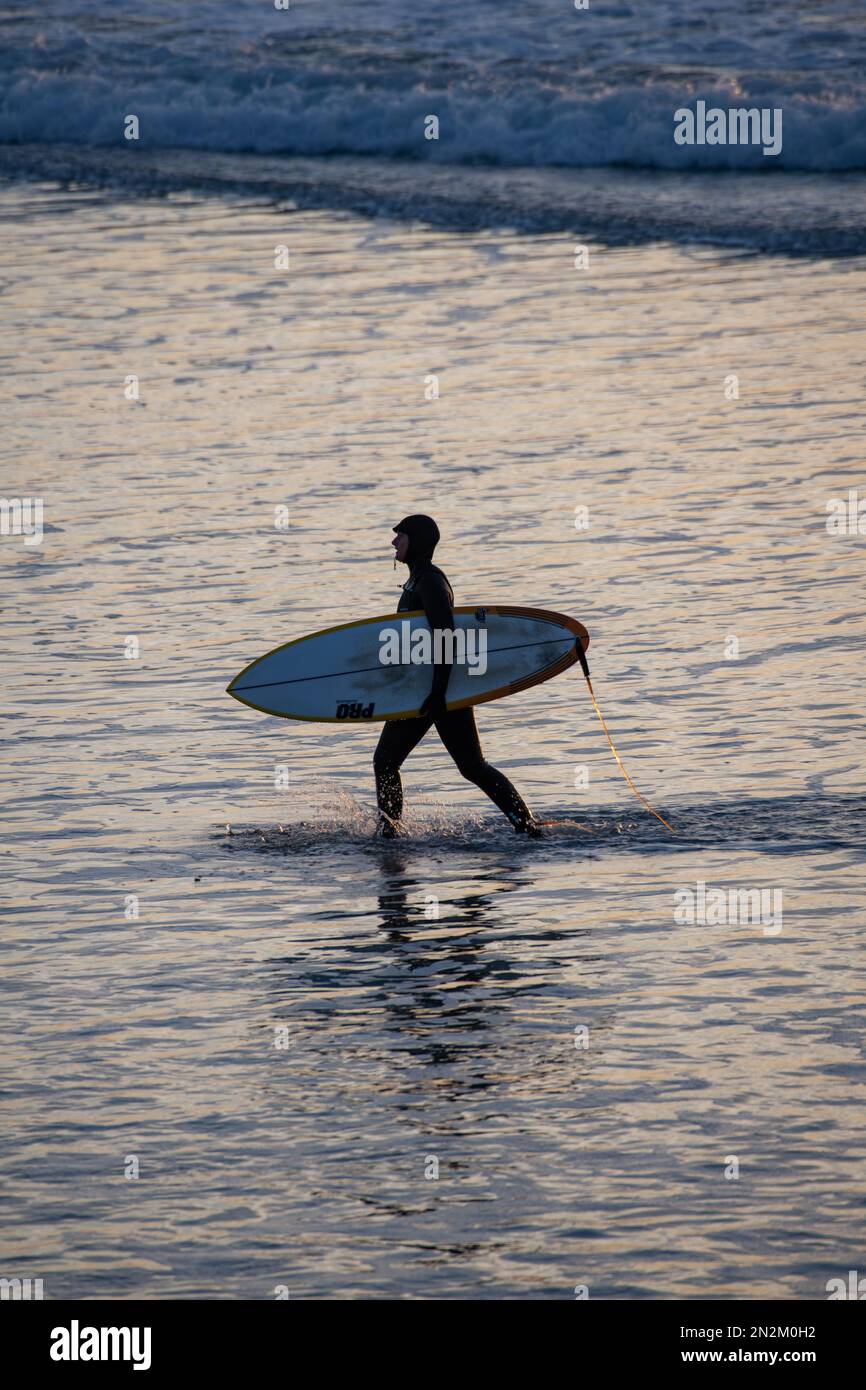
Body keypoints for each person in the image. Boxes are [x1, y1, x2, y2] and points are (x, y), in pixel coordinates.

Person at [374, 515, 542, 837]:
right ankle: (526, 826)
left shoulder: (431, 583)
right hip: (434, 688)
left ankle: (389, 835)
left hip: (436, 690)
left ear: (417, 542)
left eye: (401, 536)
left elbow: (445, 638)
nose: (394, 542)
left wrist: (438, 694)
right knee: (471, 766)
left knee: (386, 761)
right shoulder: (417, 580)